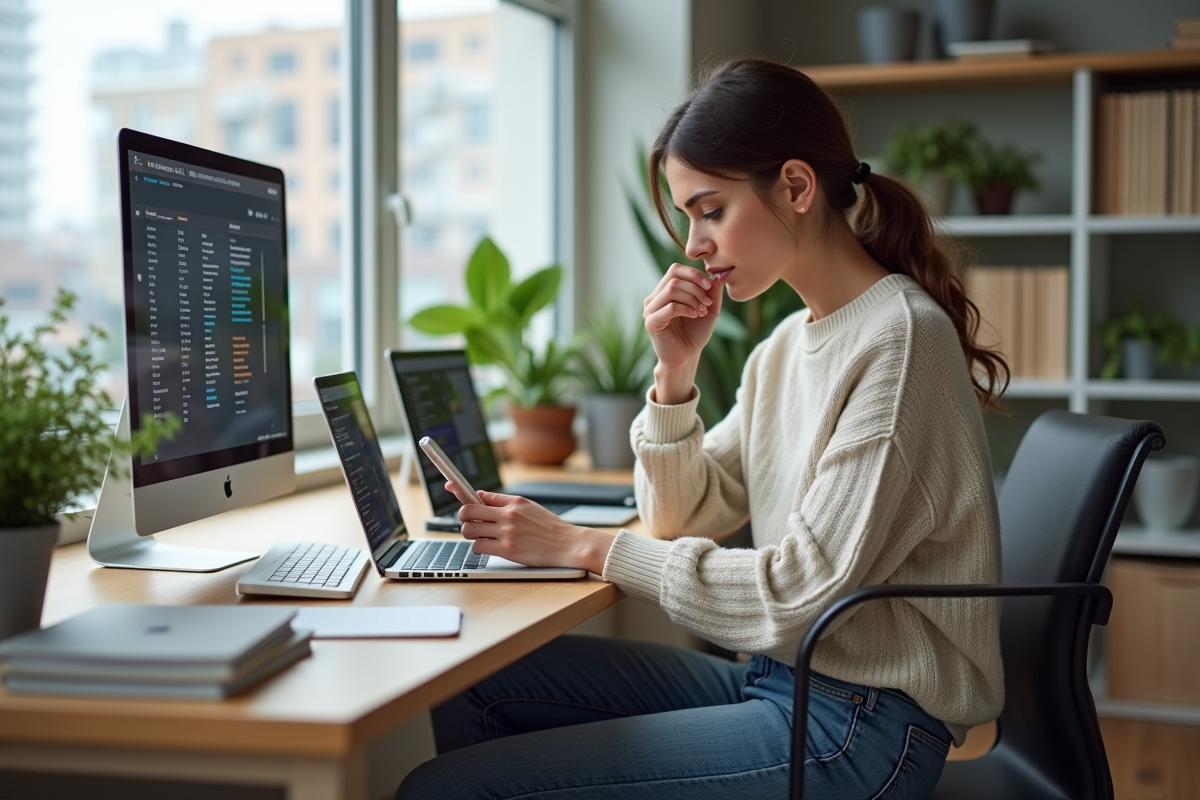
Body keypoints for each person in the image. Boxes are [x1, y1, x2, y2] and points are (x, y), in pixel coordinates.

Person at [397, 57, 1008, 800]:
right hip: (783, 684)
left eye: (710, 210)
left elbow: (796, 592)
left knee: (444, 789)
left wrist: (582, 545)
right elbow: (679, 518)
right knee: (474, 682)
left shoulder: (899, 341)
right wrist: (674, 375)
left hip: (862, 730)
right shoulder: (784, 347)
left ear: (796, 187)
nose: (693, 244)